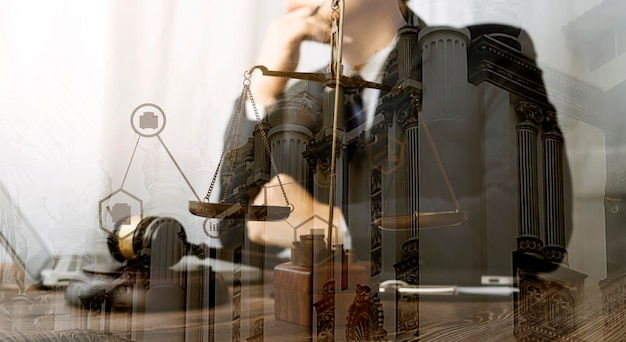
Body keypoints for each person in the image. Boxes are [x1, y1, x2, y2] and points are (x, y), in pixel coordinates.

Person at [218, 0, 571, 287]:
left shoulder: (483, 56)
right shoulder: (302, 100)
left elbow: (530, 230)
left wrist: (332, 227)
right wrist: (263, 93)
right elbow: (233, 234)